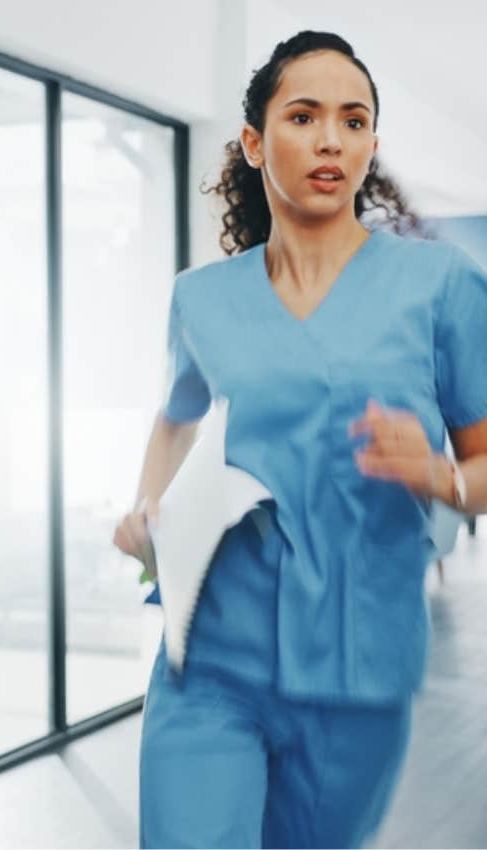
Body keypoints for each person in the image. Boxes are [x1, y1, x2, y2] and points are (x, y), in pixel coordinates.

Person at [113, 30, 487, 849]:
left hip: (358, 669)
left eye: (354, 122)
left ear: (371, 146)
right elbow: (175, 417)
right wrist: (147, 508)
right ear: (254, 142)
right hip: (210, 655)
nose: (330, 139)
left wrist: (439, 476)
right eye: (305, 116)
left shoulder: (442, 286)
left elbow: (484, 457)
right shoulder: (201, 299)